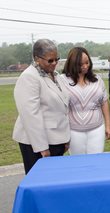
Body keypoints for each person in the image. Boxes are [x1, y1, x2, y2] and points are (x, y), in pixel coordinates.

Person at [12, 39, 70, 174]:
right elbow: (31, 115)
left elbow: (63, 107)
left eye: (57, 59)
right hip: (37, 143)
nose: (55, 63)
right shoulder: (29, 77)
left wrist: (65, 139)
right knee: (40, 181)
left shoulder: (55, 75)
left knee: (54, 179)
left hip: (57, 139)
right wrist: (41, 147)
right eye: (50, 60)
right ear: (37, 58)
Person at [60, 47, 110, 155]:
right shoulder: (62, 80)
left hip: (97, 129)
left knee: (96, 161)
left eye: (87, 62)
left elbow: (104, 102)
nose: (85, 66)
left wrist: (108, 125)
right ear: (72, 64)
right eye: (80, 64)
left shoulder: (97, 80)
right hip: (74, 131)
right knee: (78, 163)